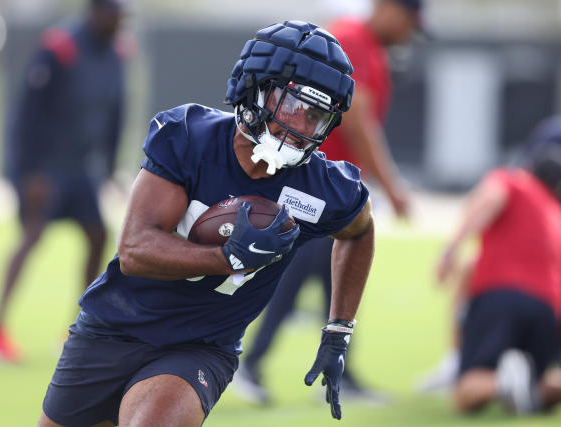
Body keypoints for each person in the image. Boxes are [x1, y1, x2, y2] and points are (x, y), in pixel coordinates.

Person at [37, 20, 375, 426]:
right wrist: (227, 256)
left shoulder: (323, 187)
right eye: (293, 106)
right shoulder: (188, 137)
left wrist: (338, 331)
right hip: (113, 326)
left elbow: (360, 230)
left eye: (317, 116)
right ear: (256, 89)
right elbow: (135, 250)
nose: (302, 127)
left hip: (200, 346)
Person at [232, 0, 422, 405]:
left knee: (332, 277)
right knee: (299, 273)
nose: (411, 31)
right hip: (316, 185)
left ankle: (337, 371)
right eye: (411, 20)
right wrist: (392, 187)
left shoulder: (370, 48)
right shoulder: (352, 39)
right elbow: (359, 124)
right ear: (390, 8)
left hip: (329, 188)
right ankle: (247, 363)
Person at [0, 0, 127, 363]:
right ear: (95, 12)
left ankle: (77, 329)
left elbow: (116, 112)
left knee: (97, 235)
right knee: (32, 236)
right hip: (43, 168)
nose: (118, 22)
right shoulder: (60, 47)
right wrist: (30, 170)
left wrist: (108, 168)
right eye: (113, 15)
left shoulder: (117, 54)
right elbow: (27, 113)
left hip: (79, 168)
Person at [436, 120, 561, 414]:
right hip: (548, 309)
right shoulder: (555, 213)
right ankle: (527, 382)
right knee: (537, 387)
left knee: (465, 396)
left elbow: (490, 199)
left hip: (501, 295)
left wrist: (451, 249)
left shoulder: (513, 181)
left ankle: (502, 381)